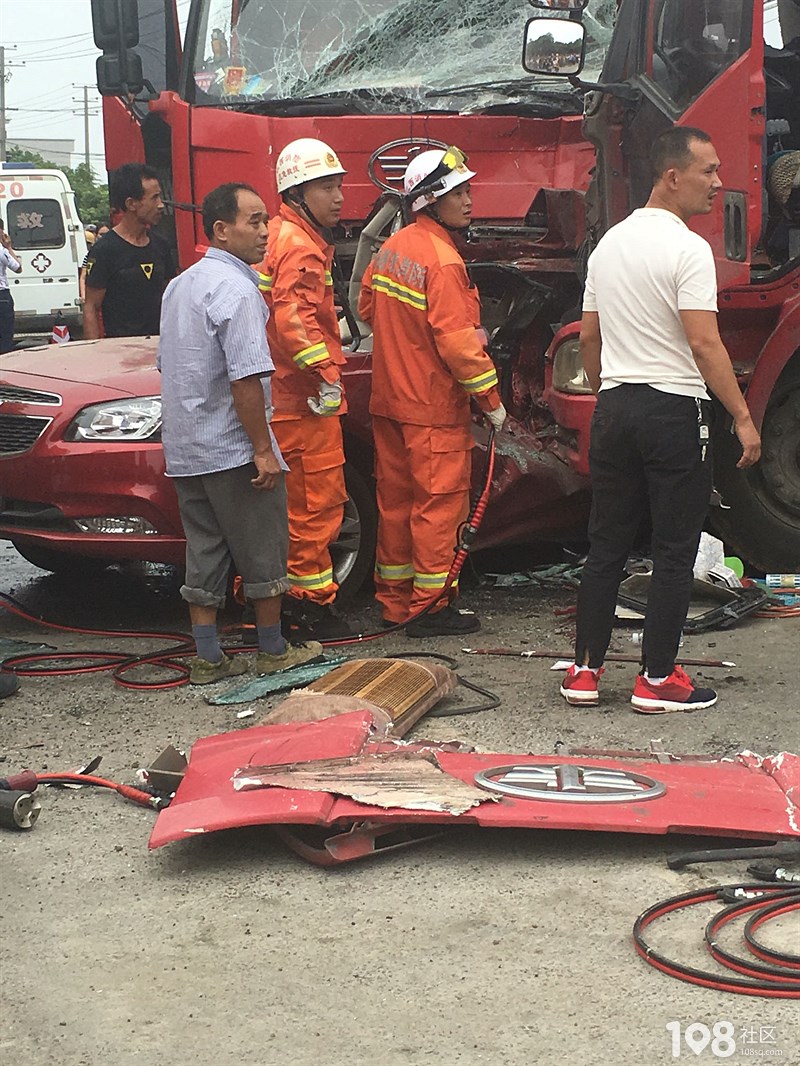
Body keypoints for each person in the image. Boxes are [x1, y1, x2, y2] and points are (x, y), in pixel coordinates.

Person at [560, 126, 761, 714]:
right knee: (674, 549)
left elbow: (590, 337)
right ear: (673, 176)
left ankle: (584, 672)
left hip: (616, 407)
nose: (719, 182)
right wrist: (742, 417)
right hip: (674, 411)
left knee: (606, 546)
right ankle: (656, 680)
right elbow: (704, 343)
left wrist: (610, 392)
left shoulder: (609, 246)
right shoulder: (688, 249)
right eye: (708, 170)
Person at [157, 182, 321, 684]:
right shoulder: (238, 290)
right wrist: (262, 450)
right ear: (221, 230)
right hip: (232, 448)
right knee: (264, 549)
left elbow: (168, 364)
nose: (265, 231)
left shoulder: (179, 285)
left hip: (186, 448)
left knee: (204, 549)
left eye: (265, 220)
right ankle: (272, 650)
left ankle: (208, 659)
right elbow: (246, 377)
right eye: (254, 221)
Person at [359, 146, 507, 637]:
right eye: (457, 193)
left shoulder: (392, 249)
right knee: (438, 509)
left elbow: (366, 309)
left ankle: (395, 603)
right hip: (431, 409)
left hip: (390, 403)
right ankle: (431, 608)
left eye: (467, 190)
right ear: (429, 201)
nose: (468, 200)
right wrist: (491, 402)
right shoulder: (443, 261)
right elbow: (460, 346)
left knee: (397, 507)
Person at [255, 138, 352, 641]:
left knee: (284, 513)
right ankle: (308, 607)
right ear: (296, 193)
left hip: (280, 397)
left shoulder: (276, 235)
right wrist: (326, 375)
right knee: (316, 508)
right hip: (303, 401)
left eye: (338, 186)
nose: (339, 197)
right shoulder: (300, 246)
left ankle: (273, 606)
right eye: (326, 187)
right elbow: (293, 319)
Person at [84, 164, 173, 339]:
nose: (161, 205)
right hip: (121, 349)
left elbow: (171, 297)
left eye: (160, 197)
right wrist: (93, 351)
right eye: (154, 198)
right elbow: (91, 307)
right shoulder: (104, 250)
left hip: (159, 346)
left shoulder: (161, 245)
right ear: (131, 204)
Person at [0, 222, 22, 353]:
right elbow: (18, 268)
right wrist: (9, 247)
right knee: (5, 334)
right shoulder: (2, 251)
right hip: (2, 296)